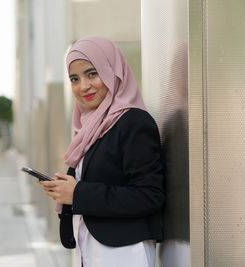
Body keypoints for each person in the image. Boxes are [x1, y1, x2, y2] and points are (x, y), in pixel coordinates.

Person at [38, 36, 165, 267]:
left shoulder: (133, 122)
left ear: (112, 72)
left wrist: (78, 194)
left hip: (124, 251)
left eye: (92, 74)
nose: (83, 86)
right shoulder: (90, 126)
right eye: (74, 79)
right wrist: (66, 189)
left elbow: (149, 195)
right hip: (90, 248)